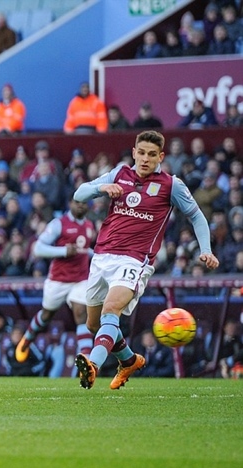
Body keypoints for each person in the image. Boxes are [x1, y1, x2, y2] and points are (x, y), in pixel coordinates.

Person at [72, 131, 219, 390]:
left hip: (135, 260)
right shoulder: (119, 174)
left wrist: (205, 248)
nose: (145, 159)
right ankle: (128, 360)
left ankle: (93, 365)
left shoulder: (171, 185)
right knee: (93, 323)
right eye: (141, 153)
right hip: (103, 255)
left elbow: (196, 217)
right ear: (134, 152)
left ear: (161, 156)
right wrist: (101, 188)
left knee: (111, 309)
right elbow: (79, 195)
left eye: (152, 155)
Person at [16, 198, 96, 364]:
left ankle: (86, 360)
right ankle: (27, 339)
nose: (80, 205)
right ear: (70, 204)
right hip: (58, 280)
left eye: (83, 203)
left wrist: (96, 255)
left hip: (81, 278)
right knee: (47, 315)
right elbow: (38, 248)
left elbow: (84, 250)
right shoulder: (58, 224)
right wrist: (63, 251)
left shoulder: (89, 225)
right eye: (77, 202)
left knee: (81, 313)